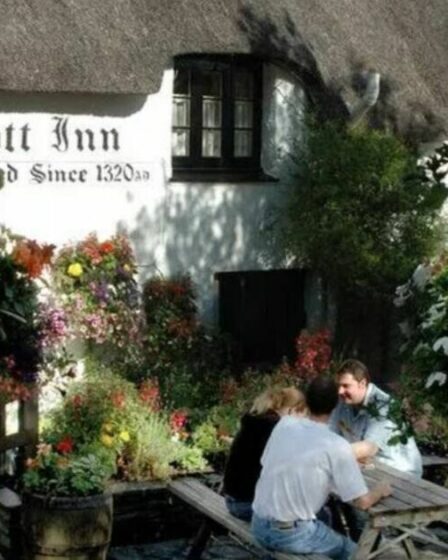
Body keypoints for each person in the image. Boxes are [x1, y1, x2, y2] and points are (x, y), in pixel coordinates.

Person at [251, 377, 391, 560]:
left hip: (258, 524)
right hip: (291, 534)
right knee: (358, 553)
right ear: (335, 406)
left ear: (306, 400)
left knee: (323, 521)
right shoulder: (336, 445)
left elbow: (267, 462)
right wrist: (380, 491)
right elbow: (363, 502)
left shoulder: (284, 425)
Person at [223, 386, 307, 521]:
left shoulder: (255, 421)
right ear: (293, 410)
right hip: (248, 504)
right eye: (302, 414)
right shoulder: (275, 428)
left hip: (233, 499)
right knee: (316, 513)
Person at [330, 359, 422, 477]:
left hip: (401, 472)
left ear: (362, 383)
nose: (340, 391)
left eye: (345, 386)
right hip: (371, 465)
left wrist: (326, 456)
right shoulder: (342, 401)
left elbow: (368, 448)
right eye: (338, 385)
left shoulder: (384, 406)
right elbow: (328, 435)